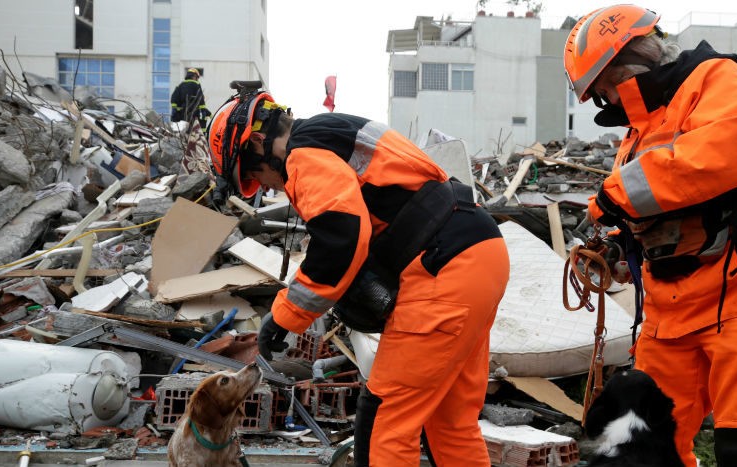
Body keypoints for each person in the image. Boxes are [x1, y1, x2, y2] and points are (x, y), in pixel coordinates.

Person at [563, 5, 737, 467]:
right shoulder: (640, 129)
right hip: (674, 307)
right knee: (639, 448)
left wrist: (614, 196)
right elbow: (651, 203)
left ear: (625, 66)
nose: (605, 104)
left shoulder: (716, 80)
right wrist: (617, 241)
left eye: (603, 92)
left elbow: (723, 157)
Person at [207, 82, 510, 466]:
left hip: (441, 269)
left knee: (385, 420)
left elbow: (342, 236)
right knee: (449, 421)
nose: (269, 187)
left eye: (258, 177)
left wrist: (284, 317)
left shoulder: (304, 154)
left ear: (255, 147)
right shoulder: (332, 130)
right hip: (480, 254)